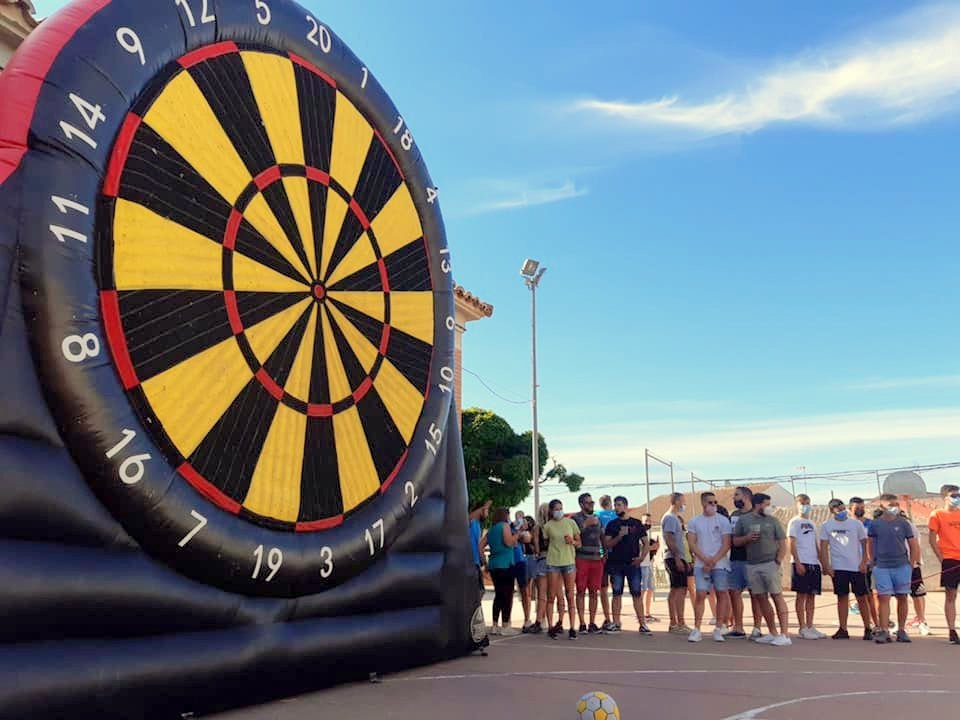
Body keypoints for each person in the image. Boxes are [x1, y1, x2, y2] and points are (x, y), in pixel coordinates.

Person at [732, 493, 791, 646]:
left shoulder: (773, 521)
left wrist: (778, 561)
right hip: (752, 564)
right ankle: (773, 632)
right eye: (767, 504)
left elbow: (783, 543)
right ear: (757, 505)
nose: (769, 507)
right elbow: (735, 541)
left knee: (777, 596)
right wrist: (746, 538)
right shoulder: (744, 520)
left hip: (770, 563)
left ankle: (785, 634)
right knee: (761, 598)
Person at [867, 494, 919, 643]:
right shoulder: (875, 524)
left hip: (902, 566)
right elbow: (869, 544)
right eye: (891, 504)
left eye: (896, 504)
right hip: (882, 567)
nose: (895, 507)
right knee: (884, 598)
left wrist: (911, 563)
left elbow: (913, 544)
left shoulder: (904, 523)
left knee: (902, 597)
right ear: (882, 507)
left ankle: (901, 630)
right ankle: (884, 630)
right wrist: (872, 561)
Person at [820, 499, 873, 640]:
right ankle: (843, 629)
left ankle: (868, 628)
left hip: (856, 567)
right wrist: (826, 566)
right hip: (838, 568)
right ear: (832, 511)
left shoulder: (856, 524)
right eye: (838, 509)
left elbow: (865, 543)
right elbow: (823, 547)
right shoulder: (826, 525)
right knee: (842, 598)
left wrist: (864, 562)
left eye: (842, 508)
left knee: (862, 597)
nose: (841, 511)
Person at [687, 492, 732, 643]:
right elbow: (692, 543)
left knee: (721, 593)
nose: (714, 505)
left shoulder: (724, 521)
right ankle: (697, 629)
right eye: (710, 502)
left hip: (720, 564)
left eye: (715, 502)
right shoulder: (694, 521)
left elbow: (726, 544)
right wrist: (705, 559)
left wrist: (714, 560)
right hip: (701, 564)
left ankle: (719, 628)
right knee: (700, 594)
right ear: (703, 504)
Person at [602, 496, 650, 633]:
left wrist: (641, 558)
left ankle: (642, 624)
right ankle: (616, 623)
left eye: (619, 505)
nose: (616, 508)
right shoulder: (612, 525)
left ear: (625, 506)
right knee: (617, 593)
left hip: (633, 564)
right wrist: (619, 536)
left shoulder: (636, 524)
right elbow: (606, 544)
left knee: (636, 593)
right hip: (616, 564)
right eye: (615, 505)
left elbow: (645, 543)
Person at [788, 494, 825, 639]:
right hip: (801, 561)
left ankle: (810, 625)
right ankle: (802, 627)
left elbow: (816, 544)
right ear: (797, 505)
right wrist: (797, 561)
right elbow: (791, 542)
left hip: (813, 563)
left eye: (808, 503)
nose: (805, 505)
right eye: (803, 503)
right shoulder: (794, 522)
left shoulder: (812, 523)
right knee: (801, 595)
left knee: (812, 596)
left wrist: (821, 562)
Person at [543, 499, 581, 639]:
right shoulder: (547, 526)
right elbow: (546, 542)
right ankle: (551, 627)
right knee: (551, 596)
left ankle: (572, 627)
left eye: (561, 508)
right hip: (553, 562)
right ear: (551, 511)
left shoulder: (570, 522)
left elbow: (579, 543)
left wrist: (573, 541)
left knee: (570, 595)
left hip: (569, 562)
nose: (559, 511)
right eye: (556, 509)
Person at [928, 484, 960, 645]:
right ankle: (952, 630)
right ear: (945, 497)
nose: (957, 498)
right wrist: (942, 558)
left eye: (958, 495)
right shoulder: (937, 515)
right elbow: (932, 538)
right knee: (951, 595)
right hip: (950, 559)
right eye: (954, 495)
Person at [572, 493, 608, 634]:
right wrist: (586, 524)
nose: (591, 505)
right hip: (581, 558)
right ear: (581, 504)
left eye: (592, 502)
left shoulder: (598, 518)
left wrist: (604, 553)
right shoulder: (575, 518)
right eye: (588, 503)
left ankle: (592, 622)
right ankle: (581, 623)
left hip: (596, 559)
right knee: (580, 591)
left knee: (594, 591)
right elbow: (573, 534)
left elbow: (602, 536)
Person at [727, 487, 760, 639]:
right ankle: (738, 627)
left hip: (753, 561)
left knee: (756, 595)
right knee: (734, 592)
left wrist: (743, 539)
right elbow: (733, 538)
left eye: (736, 495)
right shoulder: (734, 515)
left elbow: (755, 538)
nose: (734, 498)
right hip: (736, 559)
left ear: (746, 497)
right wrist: (741, 539)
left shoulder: (756, 515)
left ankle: (757, 628)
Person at [482, 507, 521, 635]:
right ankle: (505, 625)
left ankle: (494, 625)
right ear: (505, 516)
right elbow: (509, 542)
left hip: (494, 564)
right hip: (506, 564)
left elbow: (479, 546)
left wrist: (485, 562)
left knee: (498, 594)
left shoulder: (492, 530)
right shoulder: (504, 526)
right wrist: (518, 534)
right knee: (507, 594)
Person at [661, 492, 692, 634]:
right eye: (683, 501)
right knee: (679, 589)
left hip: (677, 557)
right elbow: (669, 538)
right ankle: (679, 623)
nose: (684, 504)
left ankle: (675, 623)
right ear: (676, 501)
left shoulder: (674, 518)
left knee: (677, 589)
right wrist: (678, 558)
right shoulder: (670, 518)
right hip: (674, 557)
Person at [532, 503, 564, 634]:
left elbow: (537, 548)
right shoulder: (556, 525)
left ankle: (539, 621)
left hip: (543, 560)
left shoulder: (537, 528)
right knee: (558, 593)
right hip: (557, 560)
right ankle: (560, 621)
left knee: (542, 595)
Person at [850, 495, 880, 631]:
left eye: (862, 508)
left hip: (869, 564)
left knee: (872, 596)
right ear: (850, 509)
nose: (860, 510)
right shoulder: (848, 525)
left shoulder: (871, 524)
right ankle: (867, 625)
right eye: (857, 508)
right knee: (860, 597)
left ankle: (877, 624)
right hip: (853, 565)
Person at [901, 512, 929, 637]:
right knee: (900, 595)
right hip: (897, 565)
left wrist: (915, 563)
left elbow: (916, 545)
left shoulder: (910, 526)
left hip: (912, 565)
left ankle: (921, 620)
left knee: (918, 594)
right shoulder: (890, 526)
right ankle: (900, 625)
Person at [596, 495, 619, 632]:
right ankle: (615, 620)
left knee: (603, 589)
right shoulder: (616, 515)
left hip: (601, 554)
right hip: (615, 554)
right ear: (610, 503)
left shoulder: (596, 515)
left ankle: (609, 618)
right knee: (616, 588)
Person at [468, 500, 492, 592]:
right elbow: (468, 518)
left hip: (476, 563)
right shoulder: (471, 521)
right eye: (488, 510)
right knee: (477, 592)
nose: (488, 513)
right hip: (469, 562)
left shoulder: (478, 525)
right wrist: (484, 507)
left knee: (480, 591)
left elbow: (479, 546)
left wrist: (484, 562)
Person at [640, 513, 659, 623]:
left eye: (649, 521)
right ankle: (641, 614)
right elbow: (640, 548)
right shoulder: (638, 534)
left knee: (650, 589)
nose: (648, 523)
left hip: (649, 563)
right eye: (646, 521)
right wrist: (652, 547)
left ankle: (647, 613)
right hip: (642, 565)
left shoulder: (647, 535)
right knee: (643, 589)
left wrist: (654, 548)